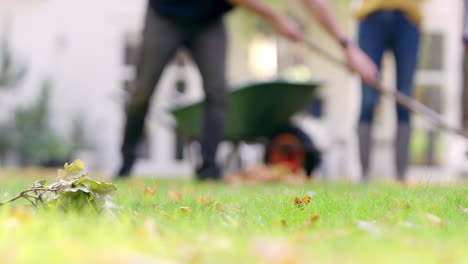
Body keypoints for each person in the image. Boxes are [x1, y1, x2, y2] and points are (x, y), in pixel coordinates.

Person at [117, 0, 377, 180]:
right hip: (166, 12)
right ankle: (126, 162)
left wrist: (346, 47)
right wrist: (276, 18)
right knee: (143, 91)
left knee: (217, 92)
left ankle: (208, 170)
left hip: (208, 20)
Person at [355, 0, 422, 182]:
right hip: (371, 17)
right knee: (368, 100)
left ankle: (401, 175)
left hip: (408, 18)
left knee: (404, 100)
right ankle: (364, 175)